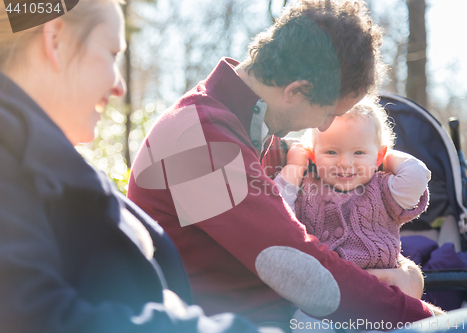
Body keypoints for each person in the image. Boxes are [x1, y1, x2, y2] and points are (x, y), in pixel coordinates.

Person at [127, 0, 438, 331]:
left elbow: (354, 218)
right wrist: (429, 318)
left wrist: (404, 271)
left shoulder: (263, 135)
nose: (324, 127)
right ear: (297, 91)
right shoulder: (197, 139)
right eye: (329, 113)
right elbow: (301, 269)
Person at [0, 1, 261, 332]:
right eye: (111, 54)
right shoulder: (10, 162)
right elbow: (33, 319)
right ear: (55, 42)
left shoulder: (36, 162)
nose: (119, 86)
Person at [275, 99, 432, 331]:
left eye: (358, 152)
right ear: (313, 155)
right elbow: (277, 207)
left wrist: (382, 158)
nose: (345, 162)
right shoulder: (306, 187)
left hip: (377, 297)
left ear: (378, 157)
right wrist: (295, 168)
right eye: (331, 151)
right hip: (320, 301)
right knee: (302, 323)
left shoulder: (384, 189)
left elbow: (418, 175)